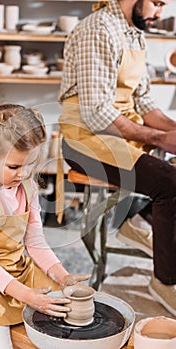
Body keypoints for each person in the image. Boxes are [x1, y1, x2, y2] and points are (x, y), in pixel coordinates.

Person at [58, 0, 176, 316]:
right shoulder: (98, 29)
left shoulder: (134, 32)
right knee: (171, 184)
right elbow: (96, 113)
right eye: (157, 3)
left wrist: (173, 130)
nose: (159, 13)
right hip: (86, 141)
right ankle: (165, 282)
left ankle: (137, 220)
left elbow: (145, 101)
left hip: (121, 132)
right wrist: (159, 138)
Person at [0, 103, 90, 349]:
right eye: (14, 167)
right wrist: (27, 296)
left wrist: (62, 276)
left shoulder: (27, 188)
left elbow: (35, 243)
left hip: (17, 267)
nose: (23, 174)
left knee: (66, 315)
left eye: (31, 164)